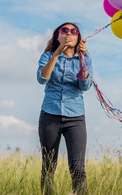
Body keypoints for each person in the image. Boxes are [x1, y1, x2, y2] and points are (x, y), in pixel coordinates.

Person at [37, 22, 93, 195]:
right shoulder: (47, 56)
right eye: (65, 30)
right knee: (48, 166)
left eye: (74, 31)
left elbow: (85, 86)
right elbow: (42, 79)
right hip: (49, 116)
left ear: (78, 39)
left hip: (75, 118)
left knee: (77, 167)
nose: (69, 33)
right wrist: (56, 54)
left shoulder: (85, 59)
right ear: (58, 36)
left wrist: (82, 57)